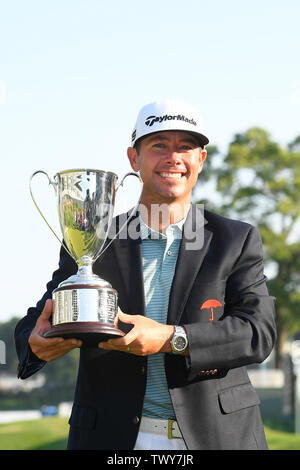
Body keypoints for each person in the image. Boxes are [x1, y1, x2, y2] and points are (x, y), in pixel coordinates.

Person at [15, 99, 276, 450]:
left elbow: (257, 332)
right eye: (159, 146)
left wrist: (172, 338)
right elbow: (34, 324)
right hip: (114, 438)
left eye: (186, 146)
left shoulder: (236, 239)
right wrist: (36, 344)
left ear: (201, 159)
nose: (173, 158)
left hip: (217, 436)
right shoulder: (95, 238)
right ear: (134, 159)